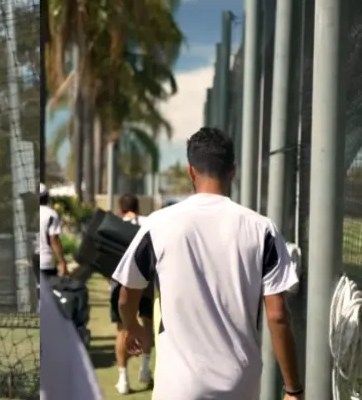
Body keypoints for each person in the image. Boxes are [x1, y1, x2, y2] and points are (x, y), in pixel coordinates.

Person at [112, 127, 302, 400]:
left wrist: (132, 326)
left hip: (177, 389)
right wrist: (293, 389)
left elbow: (126, 294)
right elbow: (277, 315)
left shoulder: (159, 224)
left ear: (191, 171)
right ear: (233, 170)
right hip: (240, 387)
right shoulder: (262, 229)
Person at [111, 193, 153, 394]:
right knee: (148, 324)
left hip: (120, 284)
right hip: (147, 282)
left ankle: (123, 380)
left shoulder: (114, 225)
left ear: (120, 209)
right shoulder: (147, 223)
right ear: (138, 207)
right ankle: (145, 369)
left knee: (122, 329)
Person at [34, 183, 67, 298]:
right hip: (45, 261)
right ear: (46, 197)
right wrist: (62, 261)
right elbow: (54, 239)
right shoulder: (51, 214)